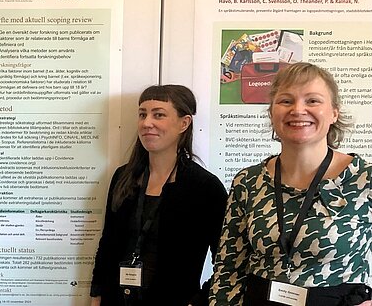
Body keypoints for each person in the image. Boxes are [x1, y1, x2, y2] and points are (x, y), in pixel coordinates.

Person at [209, 62, 372, 306]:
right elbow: (229, 267)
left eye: (312, 101)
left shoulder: (364, 180)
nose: (298, 109)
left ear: (334, 113)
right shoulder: (249, 181)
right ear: (271, 113)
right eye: (286, 101)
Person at [90, 85, 228, 306]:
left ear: (184, 123)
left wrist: (199, 300)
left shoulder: (205, 188)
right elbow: (107, 244)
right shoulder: (123, 177)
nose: (147, 123)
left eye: (159, 115)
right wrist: (96, 296)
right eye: (142, 114)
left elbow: (227, 260)